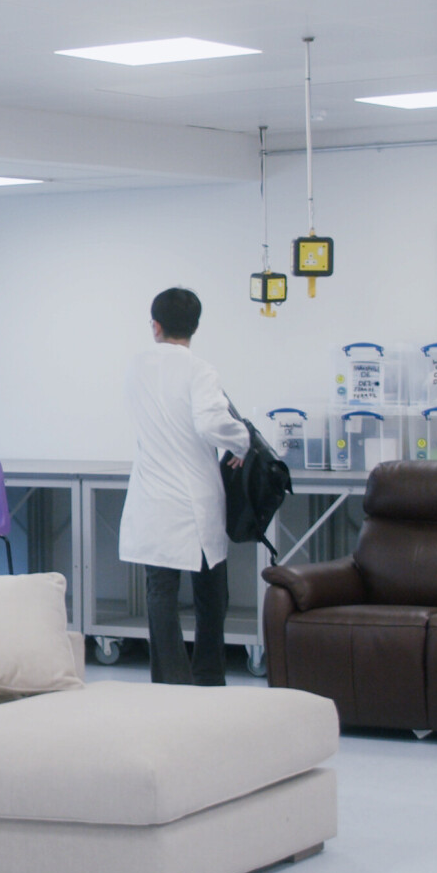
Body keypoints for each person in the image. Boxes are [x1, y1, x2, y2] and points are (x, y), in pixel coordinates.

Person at [118, 288, 250, 686]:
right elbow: (211, 423)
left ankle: (170, 684)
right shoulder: (200, 370)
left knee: (161, 593)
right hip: (195, 496)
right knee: (211, 593)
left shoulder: (135, 366)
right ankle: (209, 677)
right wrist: (241, 440)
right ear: (194, 327)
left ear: (155, 326)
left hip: (154, 497)